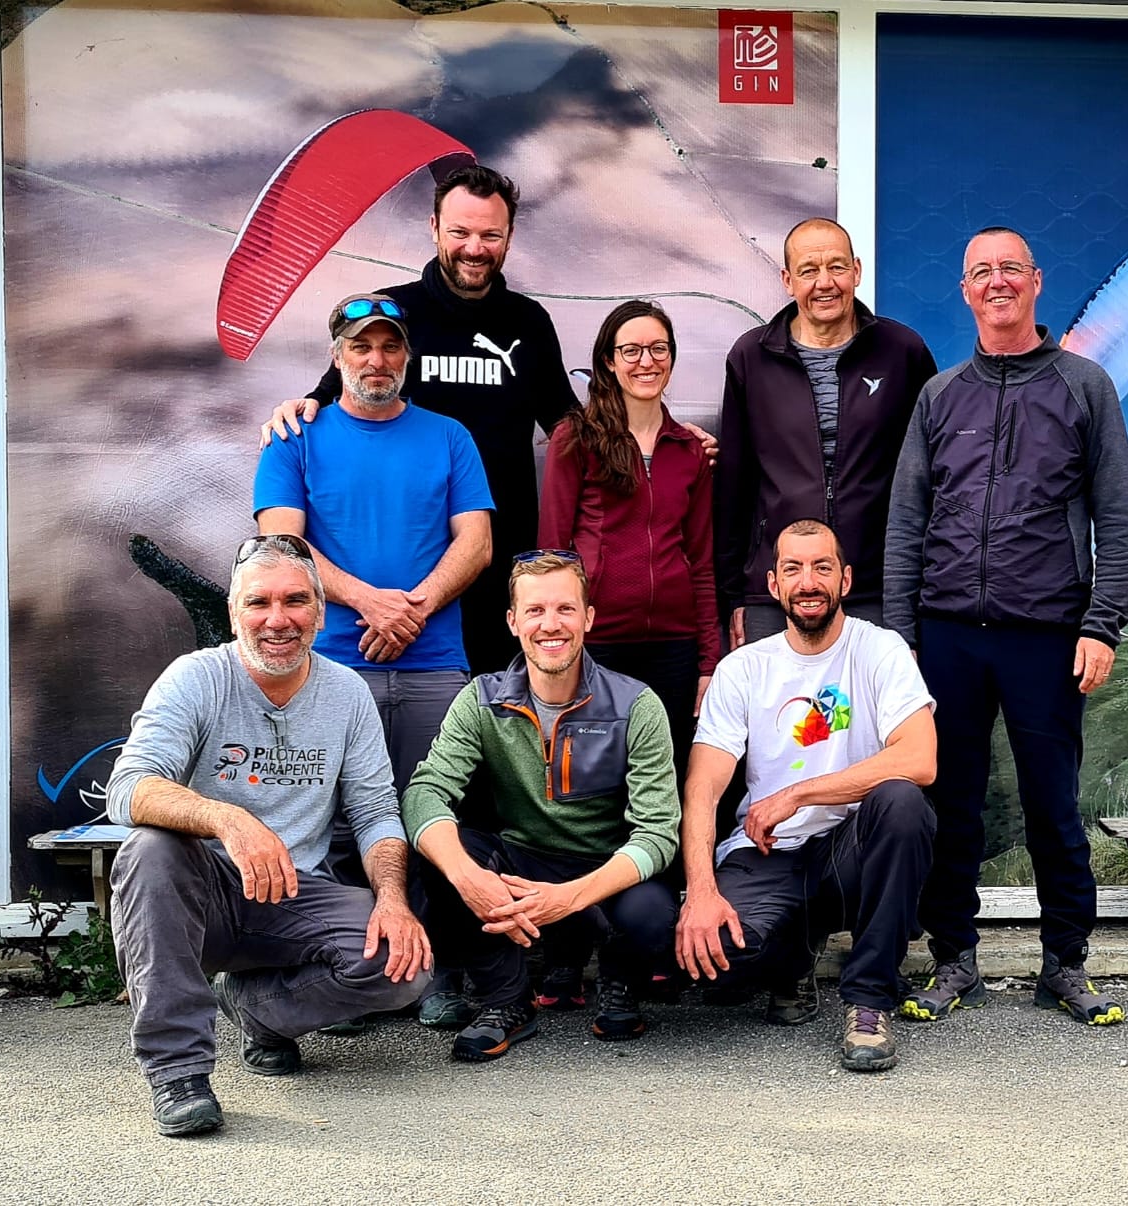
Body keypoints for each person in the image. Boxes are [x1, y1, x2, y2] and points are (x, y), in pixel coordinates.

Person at [885, 225, 1128, 1028]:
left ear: (1035, 281)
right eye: (981, 272)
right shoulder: (940, 395)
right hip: (947, 634)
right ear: (965, 291)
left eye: (1010, 269)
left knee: (1051, 806)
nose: (996, 281)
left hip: (1048, 634)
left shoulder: (1084, 386)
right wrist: (899, 638)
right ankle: (953, 960)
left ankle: (1064, 964)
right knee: (950, 803)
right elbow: (906, 520)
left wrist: (1102, 625)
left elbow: (1116, 516)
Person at [105, 534, 431, 1138]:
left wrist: (393, 899)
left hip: (294, 896)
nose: (277, 619)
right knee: (148, 848)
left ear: (320, 613)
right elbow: (128, 789)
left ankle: (257, 1012)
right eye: (259, 602)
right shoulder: (196, 678)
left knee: (402, 967)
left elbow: (376, 812)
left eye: (295, 601)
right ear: (234, 614)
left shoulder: (347, 693)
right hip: (200, 892)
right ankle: (179, 1073)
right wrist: (229, 819)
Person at [258, 165, 572, 678]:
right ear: (434, 228)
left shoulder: (528, 322)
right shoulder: (395, 315)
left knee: (490, 713)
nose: (475, 248)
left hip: (498, 562)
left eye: (490, 235)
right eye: (460, 232)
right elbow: (336, 392)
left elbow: (569, 425)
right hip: (403, 576)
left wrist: (658, 432)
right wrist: (297, 407)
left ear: (510, 236)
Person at [675, 519, 938, 1073]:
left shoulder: (880, 649)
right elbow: (702, 788)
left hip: (848, 854)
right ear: (774, 585)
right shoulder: (743, 668)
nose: (808, 582)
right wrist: (700, 891)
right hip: (766, 853)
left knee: (902, 802)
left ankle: (868, 1001)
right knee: (717, 961)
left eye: (822, 567)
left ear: (845, 579)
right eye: (793, 569)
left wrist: (798, 794)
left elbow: (920, 759)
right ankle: (793, 954)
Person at [399, 552, 682, 1063]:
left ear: (588, 617)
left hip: (606, 872)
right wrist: (467, 876)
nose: (550, 624)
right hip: (523, 861)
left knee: (651, 911)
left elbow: (659, 832)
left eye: (565, 609)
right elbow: (425, 791)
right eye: (535, 611)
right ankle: (507, 1001)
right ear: (512, 621)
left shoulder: (636, 705)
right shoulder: (481, 700)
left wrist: (569, 899)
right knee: (442, 852)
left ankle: (619, 983)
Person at [532, 299, 716, 1009]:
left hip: (670, 646)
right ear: (608, 361)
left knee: (657, 794)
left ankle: (644, 947)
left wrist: (707, 661)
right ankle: (567, 948)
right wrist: (557, 642)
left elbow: (701, 561)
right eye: (631, 349)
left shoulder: (687, 452)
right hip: (597, 645)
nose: (646, 361)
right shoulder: (575, 439)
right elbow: (551, 555)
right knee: (585, 792)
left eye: (658, 348)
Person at [252, 292, 493, 798]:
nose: (376, 360)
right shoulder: (294, 438)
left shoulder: (450, 437)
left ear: (407, 356)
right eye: (361, 347)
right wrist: (369, 602)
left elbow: (477, 544)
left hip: (435, 667)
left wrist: (410, 612)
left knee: (433, 816)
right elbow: (281, 546)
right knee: (328, 821)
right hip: (329, 666)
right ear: (337, 356)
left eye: (390, 347)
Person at [715, 218, 938, 648]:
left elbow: (929, 476)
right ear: (787, 280)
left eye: (836, 267)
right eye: (808, 270)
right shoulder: (751, 357)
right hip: (777, 590)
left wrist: (918, 582)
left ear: (857, 271)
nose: (824, 283)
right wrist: (735, 595)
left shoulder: (902, 351)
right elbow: (734, 487)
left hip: (876, 588)